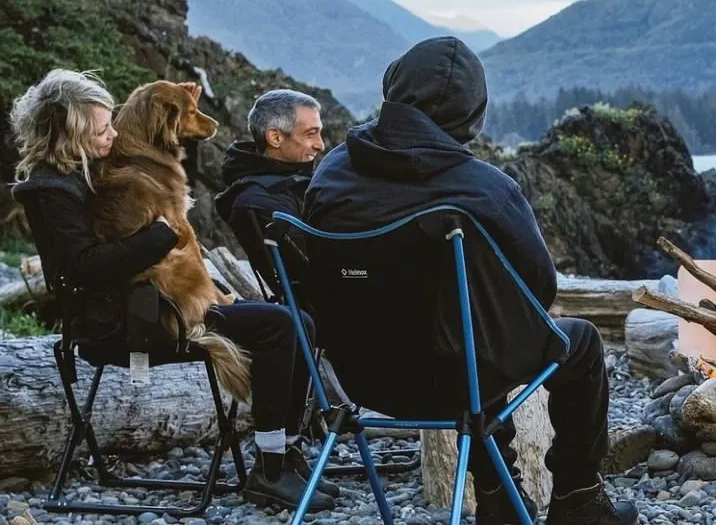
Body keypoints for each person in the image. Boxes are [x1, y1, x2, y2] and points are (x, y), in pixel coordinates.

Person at [305, 38, 638, 525]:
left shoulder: (332, 173)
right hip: (454, 378)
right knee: (573, 342)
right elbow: (538, 292)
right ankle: (578, 499)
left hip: (360, 376)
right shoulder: (484, 188)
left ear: (394, 87)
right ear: (472, 113)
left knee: (469, 334)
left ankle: (501, 498)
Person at [8, 69, 335, 513]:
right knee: (280, 326)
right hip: (128, 323)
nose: (114, 132)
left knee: (301, 324)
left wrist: (181, 115)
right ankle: (271, 470)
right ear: (72, 133)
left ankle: (286, 457)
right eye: (104, 128)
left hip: (147, 305)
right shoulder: (52, 194)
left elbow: (156, 142)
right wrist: (163, 234)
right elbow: (84, 269)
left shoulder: (84, 170)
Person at [214, 89, 325, 301]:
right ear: (275, 137)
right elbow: (315, 274)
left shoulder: (287, 184)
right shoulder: (261, 200)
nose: (321, 145)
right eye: (311, 134)